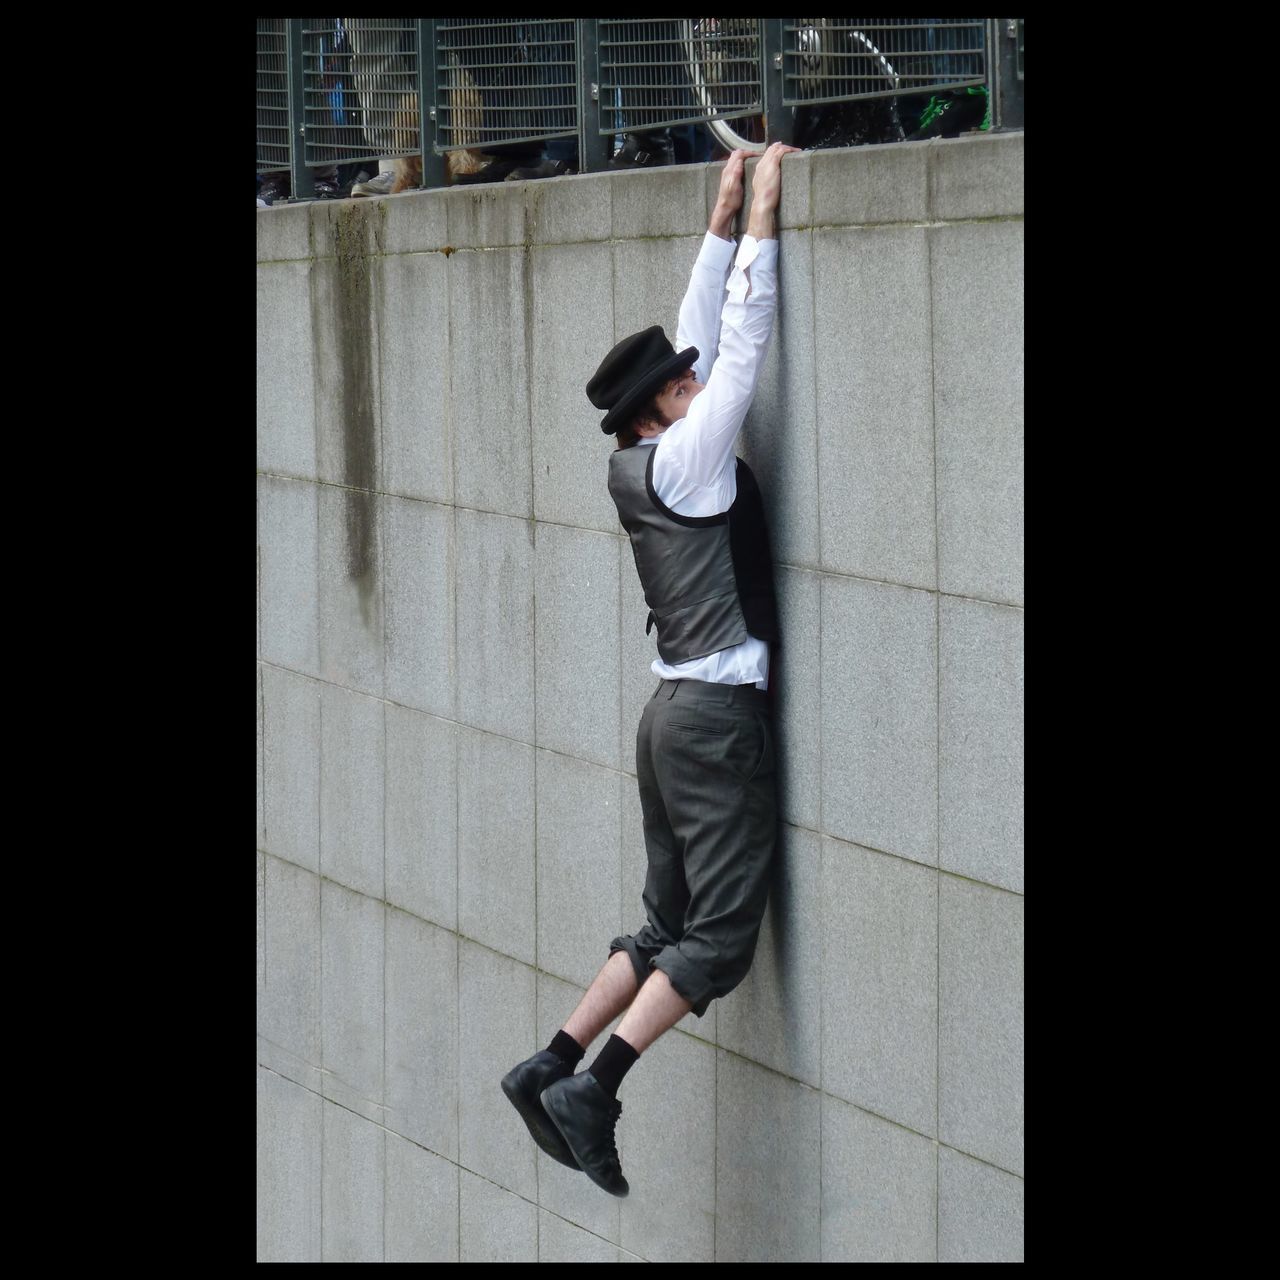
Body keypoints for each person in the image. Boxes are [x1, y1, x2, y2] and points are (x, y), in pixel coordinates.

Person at [501, 142, 801, 1197]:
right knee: (713, 938)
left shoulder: (639, 460)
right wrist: (763, 214)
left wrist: (718, 218)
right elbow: (744, 341)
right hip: (713, 721)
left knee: (660, 921)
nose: (692, 379)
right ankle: (598, 1084)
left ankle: (549, 1058)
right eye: (676, 384)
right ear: (651, 412)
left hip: (668, 713)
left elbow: (702, 328)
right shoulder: (687, 457)